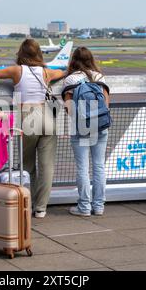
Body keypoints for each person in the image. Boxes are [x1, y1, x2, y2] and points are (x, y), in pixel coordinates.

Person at [0, 39, 65, 218]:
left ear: (21, 53)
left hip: (27, 116)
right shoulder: (45, 72)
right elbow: (60, 72)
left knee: (27, 165)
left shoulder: (17, 70)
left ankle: (29, 202)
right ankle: (41, 207)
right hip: (47, 115)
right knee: (47, 165)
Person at [62, 47, 110, 217]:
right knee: (99, 166)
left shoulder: (70, 80)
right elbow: (106, 102)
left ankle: (84, 207)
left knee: (83, 167)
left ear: (73, 60)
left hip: (81, 126)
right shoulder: (99, 77)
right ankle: (98, 206)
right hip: (100, 125)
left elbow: (69, 108)